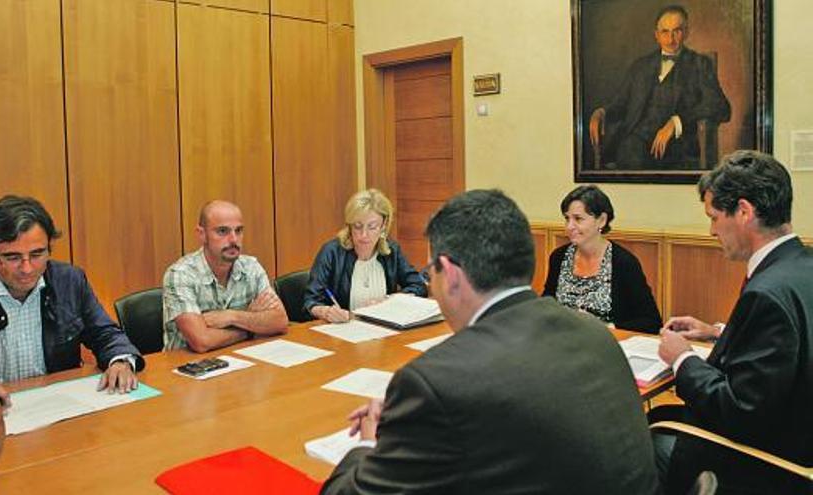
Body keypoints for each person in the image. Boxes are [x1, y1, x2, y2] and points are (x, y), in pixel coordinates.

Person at [320, 190, 659, 494]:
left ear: (450, 275)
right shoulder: (595, 334)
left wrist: (366, 444)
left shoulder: (435, 381)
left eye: (430, 271)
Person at [653, 150, 813, 493]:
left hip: (770, 464)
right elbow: (788, 347)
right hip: (796, 428)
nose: (711, 231)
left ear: (743, 211)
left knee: (644, 439)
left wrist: (683, 359)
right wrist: (717, 333)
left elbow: (740, 411)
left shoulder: (767, 293)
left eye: (713, 217)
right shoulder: (801, 267)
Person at [0, 195, 144, 418]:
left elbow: (105, 333)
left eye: (37, 254)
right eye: (12, 257)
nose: (27, 269)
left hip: (59, 414)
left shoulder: (69, 281)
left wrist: (120, 360)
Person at [589, 5, 730, 169]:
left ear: (686, 32)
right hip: (635, 141)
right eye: (665, 32)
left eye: (677, 31)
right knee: (631, 152)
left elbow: (721, 107)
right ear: (656, 35)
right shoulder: (641, 66)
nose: (671, 39)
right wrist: (602, 112)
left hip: (678, 145)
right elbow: (620, 104)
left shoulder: (699, 64)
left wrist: (677, 122)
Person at [162, 200, 287, 352]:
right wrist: (251, 326)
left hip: (240, 361)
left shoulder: (251, 267)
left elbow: (280, 321)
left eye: (239, 230)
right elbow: (202, 341)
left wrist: (232, 317)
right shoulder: (180, 274)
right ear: (202, 235)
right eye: (222, 231)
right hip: (188, 368)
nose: (234, 239)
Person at [543, 185, 662, 333]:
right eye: (567, 219)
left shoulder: (623, 262)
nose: (569, 226)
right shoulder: (558, 257)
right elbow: (546, 307)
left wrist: (607, 328)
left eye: (578, 219)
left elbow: (651, 321)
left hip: (608, 343)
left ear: (602, 220)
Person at [304, 189, 426, 323]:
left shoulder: (391, 251)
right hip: (343, 332)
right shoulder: (332, 252)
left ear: (383, 225)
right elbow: (311, 301)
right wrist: (326, 312)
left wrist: (389, 301)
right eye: (357, 226)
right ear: (349, 226)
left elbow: (418, 286)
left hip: (384, 331)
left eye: (372, 227)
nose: (364, 235)